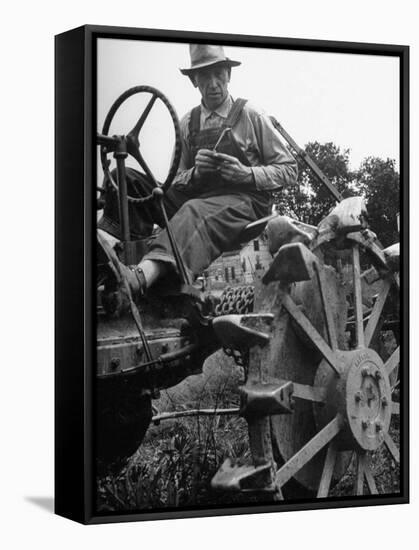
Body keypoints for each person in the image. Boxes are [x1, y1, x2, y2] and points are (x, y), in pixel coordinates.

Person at [98, 44, 298, 299]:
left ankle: (139, 278)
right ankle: (107, 253)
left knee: (194, 210)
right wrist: (195, 175)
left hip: (246, 206)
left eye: (218, 74)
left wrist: (245, 174)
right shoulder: (187, 123)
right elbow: (175, 180)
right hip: (201, 198)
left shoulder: (251, 115)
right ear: (194, 80)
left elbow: (290, 169)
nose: (213, 83)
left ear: (229, 74)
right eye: (204, 76)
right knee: (125, 180)